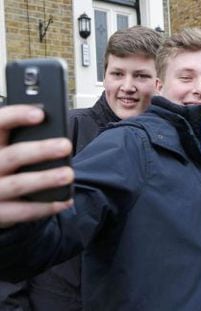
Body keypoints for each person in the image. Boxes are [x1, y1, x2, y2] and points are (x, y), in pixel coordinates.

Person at [0, 28, 201, 311]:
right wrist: (12, 223)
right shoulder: (128, 143)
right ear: (160, 87)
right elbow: (48, 235)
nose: (200, 87)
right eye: (186, 77)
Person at [25, 25, 160, 311]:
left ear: (159, 81)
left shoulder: (166, 145)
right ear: (104, 76)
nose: (127, 86)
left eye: (141, 76)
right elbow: (22, 228)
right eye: (117, 73)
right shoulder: (64, 130)